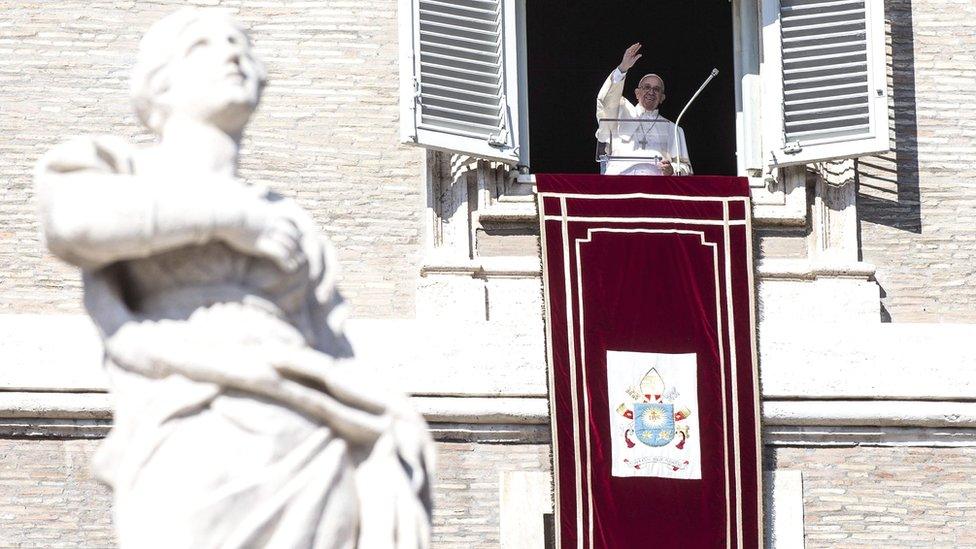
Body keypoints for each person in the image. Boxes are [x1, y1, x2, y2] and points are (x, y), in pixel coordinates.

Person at [35, 9, 433, 549]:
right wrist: (228, 217)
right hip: (191, 424)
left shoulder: (290, 219)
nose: (231, 54)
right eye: (203, 44)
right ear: (159, 81)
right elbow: (73, 222)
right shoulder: (117, 168)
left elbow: (333, 344)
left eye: (241, 45)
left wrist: (386, 413)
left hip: (309, 442)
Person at [596, 43, 692, 176]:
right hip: (620, 181)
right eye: (646, 87)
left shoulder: (673, 129)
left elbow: (686, 168)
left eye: (656, 89)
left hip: (656, 187)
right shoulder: (620, 112)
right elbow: (606, 100)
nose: (651, 92)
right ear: (637, 93)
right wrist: (623, 68)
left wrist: (673, 170)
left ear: (662, 97)